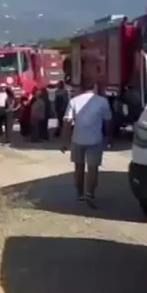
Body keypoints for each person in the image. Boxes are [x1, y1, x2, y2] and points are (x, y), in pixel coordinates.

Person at [61, 79, 112, 209]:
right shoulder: (102, 102)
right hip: (95, 140)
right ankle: (90, 194)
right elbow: (108, 122)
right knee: (93, 169)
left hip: (77, 139)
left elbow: (67, 122)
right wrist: (109, 138)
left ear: (81, 88)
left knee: (78, 168)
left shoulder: (74, 101)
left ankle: (79, 194)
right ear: (94, 86)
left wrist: (64, 141)